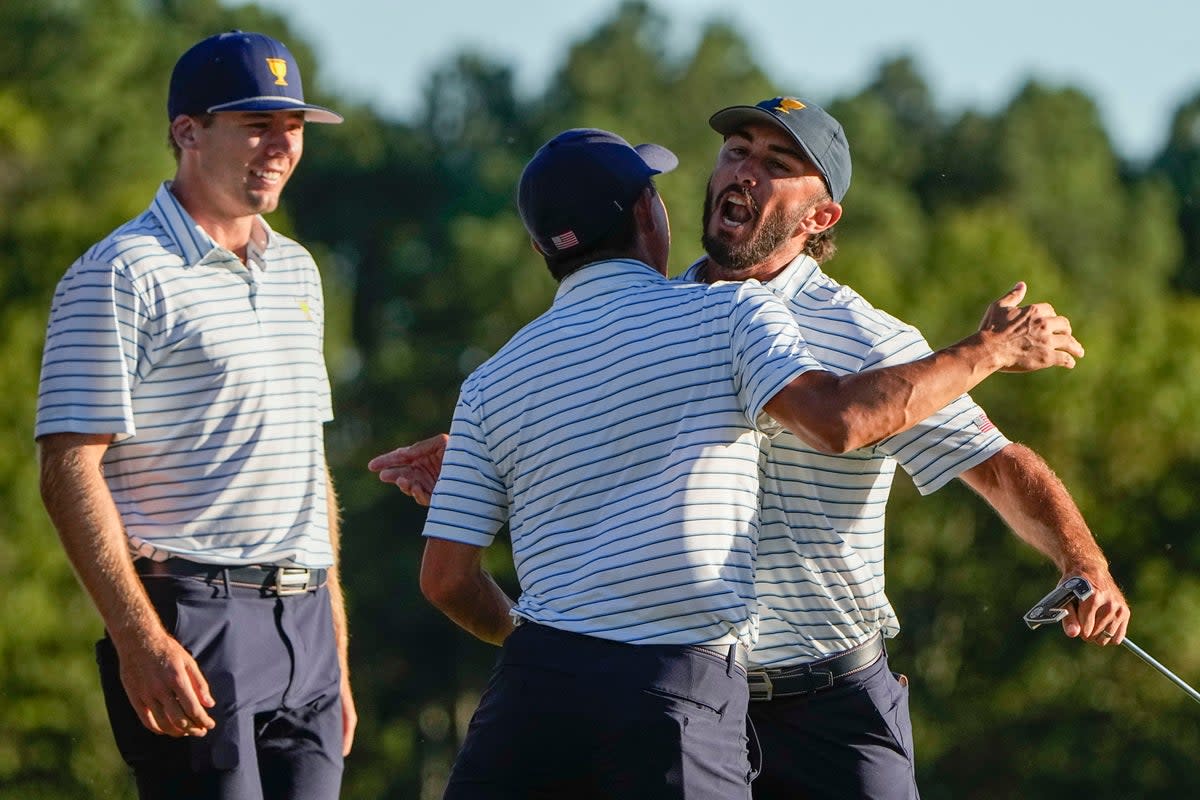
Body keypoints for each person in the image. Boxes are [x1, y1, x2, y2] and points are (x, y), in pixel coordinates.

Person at [371, 98, 1128, 800]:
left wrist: (1082, 562)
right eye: (736, 151)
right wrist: (487, 459)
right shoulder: (671, 312)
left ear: (820, 214)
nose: (743, 170)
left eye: (776, 163)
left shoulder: (872, 341)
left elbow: (999, 465)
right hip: (683, 699)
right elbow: (585, 418)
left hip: (829, 705)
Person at [35, 31, 356, 800]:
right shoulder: (120, 272)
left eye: (295, 126)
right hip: (192, 621)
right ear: (187, 132)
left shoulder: (298, 271)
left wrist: (335, 649)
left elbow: (306, 466)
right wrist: (137, 638)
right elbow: (66, 468)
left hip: (305, 623)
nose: (281, 145)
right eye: (257, 124)